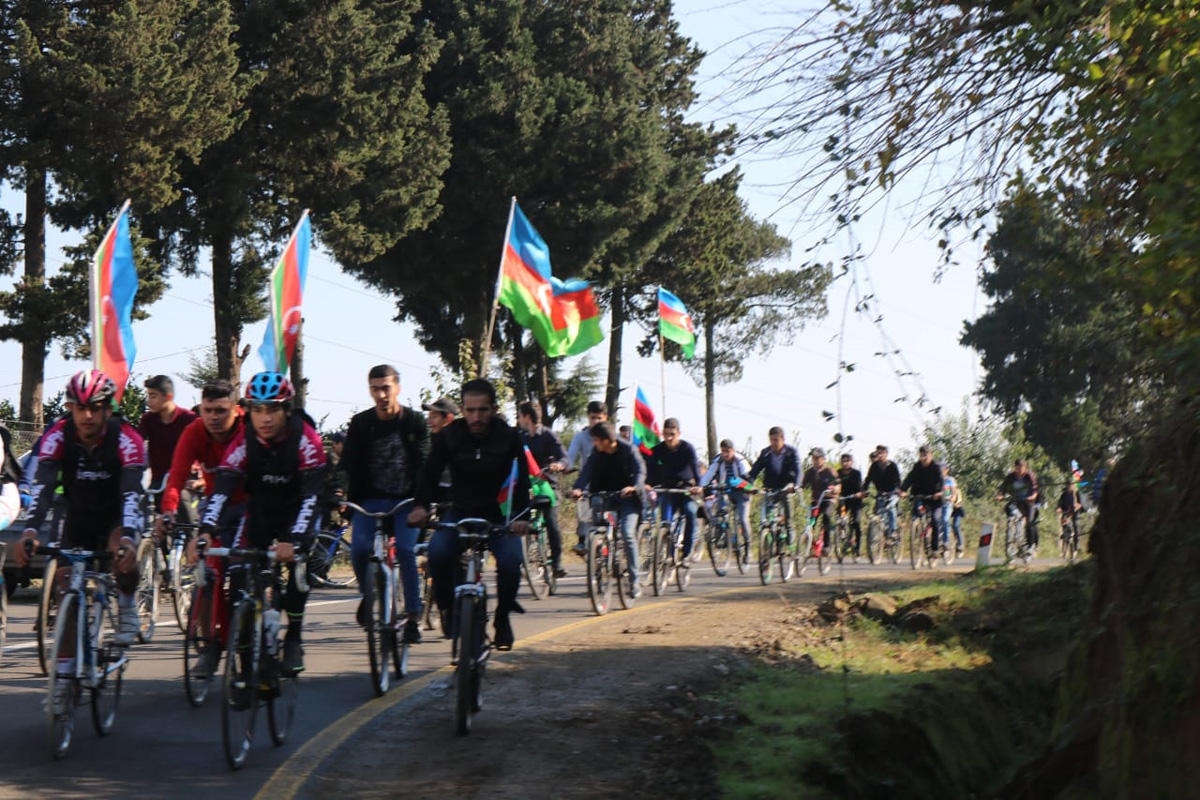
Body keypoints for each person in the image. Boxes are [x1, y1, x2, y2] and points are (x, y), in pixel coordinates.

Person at [201, 372, 326, 674]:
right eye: (257, 410)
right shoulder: (244, 440)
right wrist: (204, 531)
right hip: (260, 512)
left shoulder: (306, 440)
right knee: (239, 581)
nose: (265, 418)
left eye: (272, 409)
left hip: (299, 512)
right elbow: (222, 489)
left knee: (298, 569)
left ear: (286, 410)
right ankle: (245, 669)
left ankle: (293, 637)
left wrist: (295, 540)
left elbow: (312, 496)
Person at [15, 370, 147, 646]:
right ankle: (65, 676)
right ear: (71, 408)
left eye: (95, 409)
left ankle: (126, 605)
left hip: (117, 512)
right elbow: (43, 487)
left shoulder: (126, 438)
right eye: (81, 408)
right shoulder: (57, 435)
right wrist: (30, 531)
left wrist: (128, 538)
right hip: (79, 512)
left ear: (107, 410)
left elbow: (131, 492)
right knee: (66, 588)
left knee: (121, 552)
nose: (87, 416)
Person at [409, 379, 530, 650]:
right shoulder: (449, 436)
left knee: (511, 562)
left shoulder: (510, 438)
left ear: (495, 409)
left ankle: (502, 618)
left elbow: (521, 481)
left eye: (483, 410)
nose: (476, 417)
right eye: (470, 410)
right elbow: (429, 474)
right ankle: (449, 610)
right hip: (460, 511)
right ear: (462, 409)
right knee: (438, 553)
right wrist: (420, 507)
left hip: (500, 515)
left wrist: (522, 517)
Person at [156, 379, 246, 677]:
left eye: (221, 410)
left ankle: (258, 626)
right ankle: (213, 644)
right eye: (208, 410)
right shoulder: (194, 431)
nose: (214, 418)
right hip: (215, 505)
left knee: (245, 570)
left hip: (251, 504)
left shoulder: (250, 430)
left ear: (236, 409)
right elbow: (177, 476)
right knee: (210, 573)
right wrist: (168, 511)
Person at [342, 365, 429, 643]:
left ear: (398, 388)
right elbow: (347, 464)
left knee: (405, 550)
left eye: (386, 388)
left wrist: (422, 504)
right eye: (375, 389)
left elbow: (426, 464)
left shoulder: (415, 421)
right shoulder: (360, 423)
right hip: (370, 500)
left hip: (406, 502)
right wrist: (338, 491)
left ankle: (413, 616)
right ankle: (370, 595)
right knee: (359, 549)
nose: (381, 394)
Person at [570, 421, 646, 598]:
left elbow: (640, 471)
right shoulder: (597, 453)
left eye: (596, 440)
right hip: (604, 496)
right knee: (596, 531)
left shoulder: (628, 450)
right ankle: (599, 567)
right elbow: (586, 472)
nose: (594, 444)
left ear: (606, 440)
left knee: (627, 534)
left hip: (628, 499)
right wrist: (578, 488)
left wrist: (634, 486)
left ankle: (634, 582)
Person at [517, 400, 569, 578]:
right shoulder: (520, 437)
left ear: (527, 417)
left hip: (547, 486)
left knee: (551, 522)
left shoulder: (548, 436)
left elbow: (564, 458)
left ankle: (556, 563)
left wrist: (558, 465)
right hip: (527, 486)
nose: (518, 419)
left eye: (520, 415)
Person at [647, 418, 701, 560]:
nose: (669, 438)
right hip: (667, 490)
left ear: (679, 433)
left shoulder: (687, 448)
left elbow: (696, 470)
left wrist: (698, 486)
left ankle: (687, 551)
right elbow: (650, 469)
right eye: (665, 434)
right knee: (666, 522)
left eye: (672, 434)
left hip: (685, 489)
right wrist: (647, 484)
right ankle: (668, 556)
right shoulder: (658, 450)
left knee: (690, 512)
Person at [137, 375, 198, 502]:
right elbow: (137, 442)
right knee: (142, 508)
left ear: (168, 396)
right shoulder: (148, 419)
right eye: (148, 396)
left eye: (153, 396)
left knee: (184, 509)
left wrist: (195, 464)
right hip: (158, 481)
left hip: (184, 480)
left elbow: (201, 445)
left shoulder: (189, 418)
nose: (149, 401)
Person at [564, 400, 609, 553]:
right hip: (588, 481)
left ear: (605, 418)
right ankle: (583, 540)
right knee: (583, 507)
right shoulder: (580, 437)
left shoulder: (611, 437)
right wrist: (565, 466)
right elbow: (570, 456)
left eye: (599, 418)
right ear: (588, 417)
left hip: (610, 483)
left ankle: (611, 542)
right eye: (592, 418)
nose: (595, 421)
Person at [700, 439, 753, 561]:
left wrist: (743, 485)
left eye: (728, 452)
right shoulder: (718, 461)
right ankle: (722, 534)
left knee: (743, 519)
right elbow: (707, 476)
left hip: (742, 493)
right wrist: (701, 487)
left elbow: (749, 480)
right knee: (720, 511)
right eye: (723, 451)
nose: (725, 455)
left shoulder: (740, 461)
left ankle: (747, 546)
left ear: (733, 451)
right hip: (725, 491)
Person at [748, 427, 800, 533]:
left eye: (776, 440)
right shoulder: (765, 453)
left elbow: (798, 470)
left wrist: (795, 485)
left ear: (783, 439)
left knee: (787, 502)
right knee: (767, 518)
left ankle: (789, 527)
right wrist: (749, 486)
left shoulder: (791, 452)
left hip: (786, 487)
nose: (773, 443)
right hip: (770, 487)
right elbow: (755, 470)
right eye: (771, 440)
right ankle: (767, 540)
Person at [901, 446, 945, 555]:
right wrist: (902, 490)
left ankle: (935, 549)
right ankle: (918, 535)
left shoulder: (936, 467)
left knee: (935, 520)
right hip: (920, 496)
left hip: (935, 498)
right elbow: (909, 479)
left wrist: (941, 493)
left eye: (926, 455)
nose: (923, 458)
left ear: (931, 455)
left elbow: (943, 484)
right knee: (915, 515)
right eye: (921, 455)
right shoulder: (917, 467)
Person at [997, 459, 1040, 556]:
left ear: (1025, 468)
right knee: (1008, 509)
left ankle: (1031, 545)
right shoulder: (1011, 476)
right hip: (1016, 500)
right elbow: (1003, 487)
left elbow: (1035, 489)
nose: (1019, 470)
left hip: (1028, 501)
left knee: (1030, 523)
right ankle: (1012, 533)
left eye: (1021, 468)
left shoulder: (1030, 476)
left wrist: (1032, 496)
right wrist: (1000, 495)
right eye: (1017, 468)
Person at [800, 448, 840, 550]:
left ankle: (827, 545)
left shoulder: (830, 471)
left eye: (817, 458)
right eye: (813, 458)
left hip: (828, 500)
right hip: (816, 500)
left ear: (823, 459)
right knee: (810, 521)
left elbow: (838, 485)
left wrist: (834, 489)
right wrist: (796, 489)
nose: (815, 461)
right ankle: (810, 543)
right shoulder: (810, 472)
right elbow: (802, 485)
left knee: (826, 516)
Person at [860, 444, 903, 540]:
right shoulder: (874, 466)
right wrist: (864, 490)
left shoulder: (892, 465)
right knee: (879, 512)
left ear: (886, 454)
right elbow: (868, 479)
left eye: (882, 453)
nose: (880, 455)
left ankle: (893, 531)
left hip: (892, 493)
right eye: (878, 453)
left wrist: (898, 489)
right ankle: (881, 537)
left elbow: (897, 479)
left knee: (891, 507)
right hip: (880, 493)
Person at [836, 453, 864, 558]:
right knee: (840, 518)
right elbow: (834, 483)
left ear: (851, 462)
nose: (845, 463)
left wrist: (859, 493)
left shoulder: (856, 473)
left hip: (855, 500)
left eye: (847, 461)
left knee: (856, 522)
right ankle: (842, 536)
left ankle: (857, 548)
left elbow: (860, 486)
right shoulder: (838, 473)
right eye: (843, 461)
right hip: (843, 500)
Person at [942, 464, 964, 557]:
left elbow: (954, 493)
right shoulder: (936, 481)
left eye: (942, 469)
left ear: (946, 470)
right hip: (942, 506)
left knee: (955, 525)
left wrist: (952, 499)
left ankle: (960, 545)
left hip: (955, 508)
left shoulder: (949, 481)